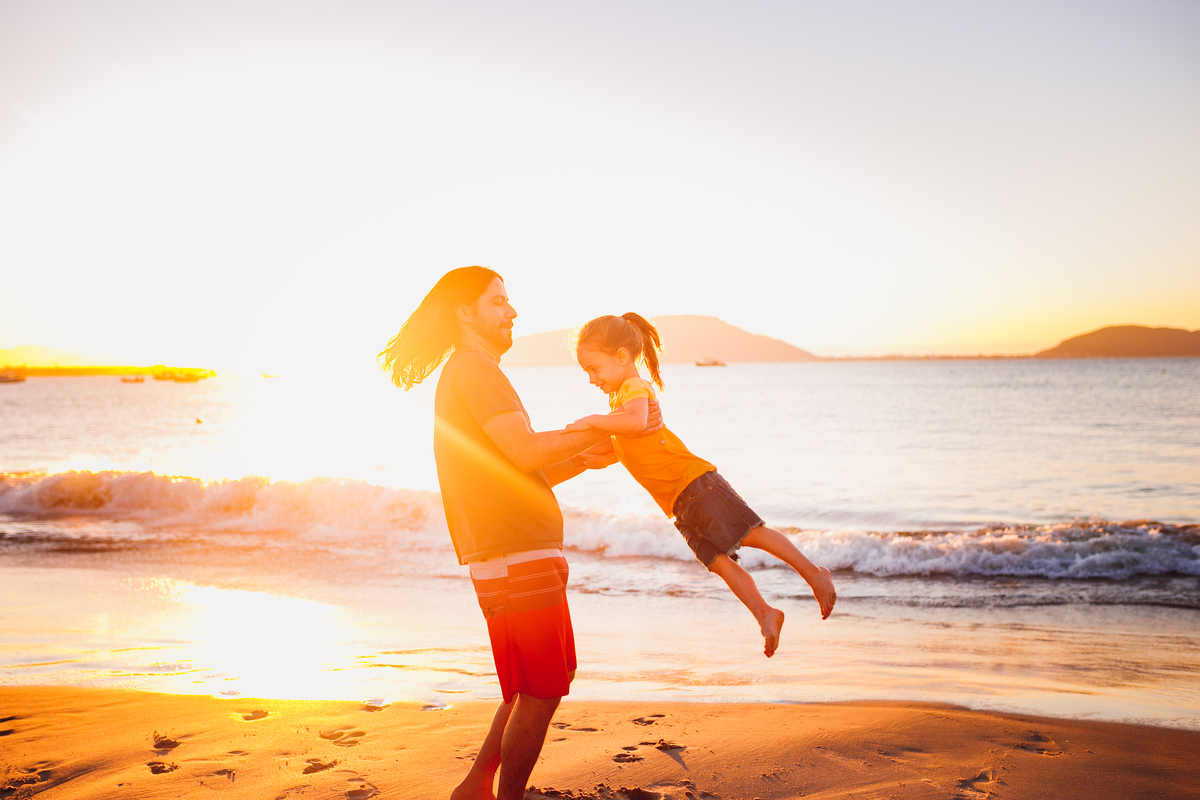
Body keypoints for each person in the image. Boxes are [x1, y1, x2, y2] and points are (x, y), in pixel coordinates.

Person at [380, 268, 661, 800]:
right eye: (500, 302)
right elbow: (527, 450)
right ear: (466, 313)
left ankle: (476, 788)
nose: (512, 312)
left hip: (510, 551)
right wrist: (599, 425)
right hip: (514, 553)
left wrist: (582, 456)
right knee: (540, 689)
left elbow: (516, 467)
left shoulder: (470, 371)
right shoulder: (475, 371)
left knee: (528, 686)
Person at [562, 313, 837, 658]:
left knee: (752, 533)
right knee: (720, 562)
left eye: (594, 369)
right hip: (677, 504)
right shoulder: (617, 402)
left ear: (620, 357)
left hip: (695, 484)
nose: (591, 379)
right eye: (586, 372)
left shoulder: (633, 389)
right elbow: (623, 444)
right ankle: (765, 613)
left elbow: (635, 421)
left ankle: (815, 575)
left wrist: (590, 421)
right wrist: (590, 454)